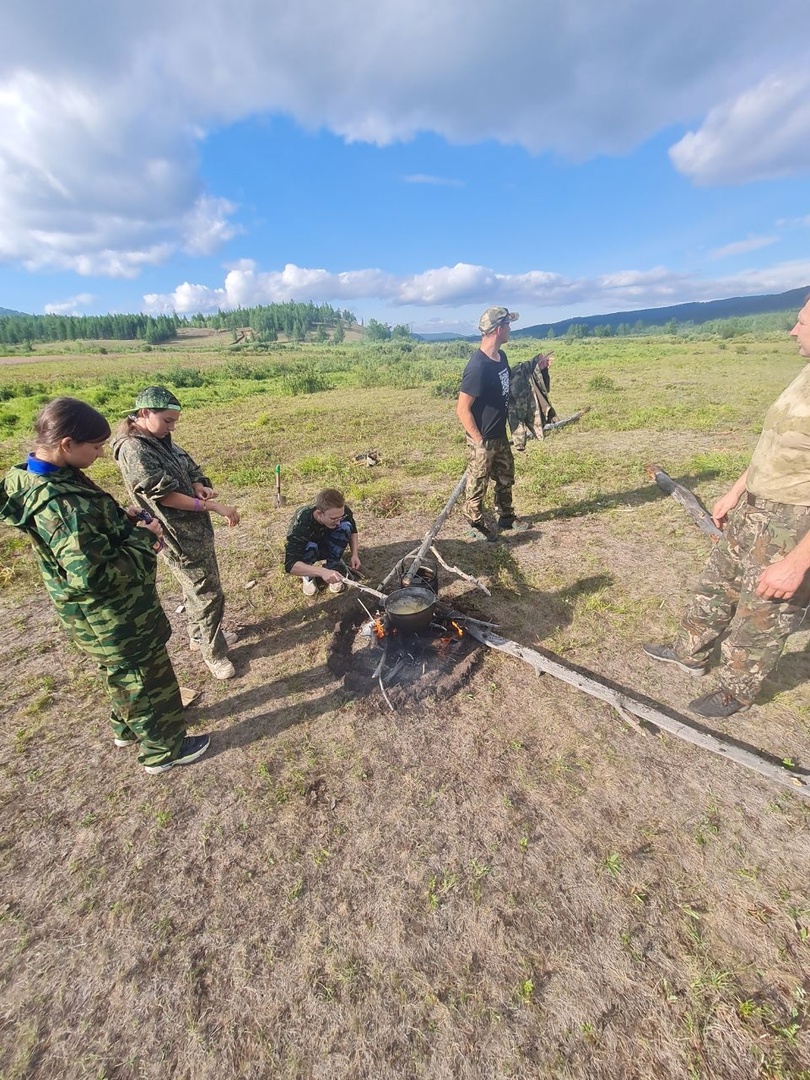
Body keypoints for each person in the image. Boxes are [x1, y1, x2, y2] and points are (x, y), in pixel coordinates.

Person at [0, 397, 209, 774]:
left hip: (95, 615)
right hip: (114, 614)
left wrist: (117, 517)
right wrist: (145, 538)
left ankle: (126, 727)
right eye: (95, 447)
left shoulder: (38, 472)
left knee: (122, 673)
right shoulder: (61, 504)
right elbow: (94, 573)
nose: (100, 454)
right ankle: (164, 750)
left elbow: (87, 528)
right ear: (66, 444)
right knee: (146, 677)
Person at [643, 299, 810, 718]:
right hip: (755, 507)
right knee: (717, 584)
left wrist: (796, 563)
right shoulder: (805, 375)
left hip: (793, 519)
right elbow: (771, 443)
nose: (792, 331)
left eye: (802, 323)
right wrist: (736, 491)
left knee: (764, 609)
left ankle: (737, 687)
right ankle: (690, 653)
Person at [112, 386, 240, 681]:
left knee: (195, 588)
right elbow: (165, 496)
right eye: (168, 420)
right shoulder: (134, 448)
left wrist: (198, 483)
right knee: (208, 594)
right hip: (176, 534)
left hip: (192, 531)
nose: (172, 427)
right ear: (145, 413)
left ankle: (199, 636)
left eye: (175, 422)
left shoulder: (158, 438)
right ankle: (214, 653)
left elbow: (185, 464)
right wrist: (212, 505)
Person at [456, 306, 529, 539]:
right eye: (507, 325)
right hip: (483, 438)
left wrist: (536, 365)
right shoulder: (478, 367)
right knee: (477, 483)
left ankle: (506, 517)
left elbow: (510, 383)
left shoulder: (500, 358)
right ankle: (475, 524)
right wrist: (478, 441)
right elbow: (462, 409)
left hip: (499, 434)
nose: (510, 329)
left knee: (506, 477)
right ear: (498, 330)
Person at [285, 488, 361, 595]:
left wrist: (354, 554)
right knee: (310, 546)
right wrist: (322, 572)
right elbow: (290, 565)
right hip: (311, 548)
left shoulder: (340, 511)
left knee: (345, 527)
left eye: (341, 517)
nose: (338, 522)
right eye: (334, 519)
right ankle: (308, 576)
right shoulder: (301, 524)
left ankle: (332, 569)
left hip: (328, 542)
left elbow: (353, 530)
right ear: (319, 513)